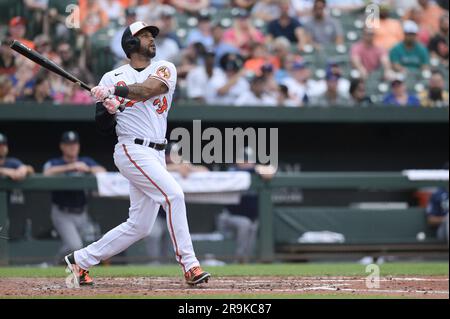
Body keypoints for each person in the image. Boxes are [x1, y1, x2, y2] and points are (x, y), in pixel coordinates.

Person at [66, 21, 211, 286]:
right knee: (174, 195)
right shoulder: (110, 77)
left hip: (156, 152)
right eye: (144, 36)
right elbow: (103, 127)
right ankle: (190, 266)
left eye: (151, 35)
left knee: (141, 225)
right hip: (131, 148)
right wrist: (108, 110)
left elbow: (147, 90)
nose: (151, 39)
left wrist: (114, 93)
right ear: (130, 44)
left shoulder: (164, 68)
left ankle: (81, 260)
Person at [43, 131, 106, 265]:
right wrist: (71, 166)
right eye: (68, 144)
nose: (72, 147)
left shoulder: (86, 161)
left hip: (82, 212)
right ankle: (55, 262)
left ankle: (55, 264)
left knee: (76, 245)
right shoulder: (56, 162)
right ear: (62, 146)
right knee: (75, 245)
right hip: (62, 212)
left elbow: (103, 171)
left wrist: (87, 169)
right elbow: (46, 172)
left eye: (75, 143)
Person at [217, 146, 275, 263]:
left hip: (251, 218)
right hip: (228, 217)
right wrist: (256, 169)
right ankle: (240, 258)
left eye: (249, 159)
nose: (246, 162)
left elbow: (271, 171)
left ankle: (245, 261)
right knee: (245, 224)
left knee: (252, 226)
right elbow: (241, 172)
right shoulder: (233, 171)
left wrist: (260, 169)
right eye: (243, 159)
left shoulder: (257, 172)